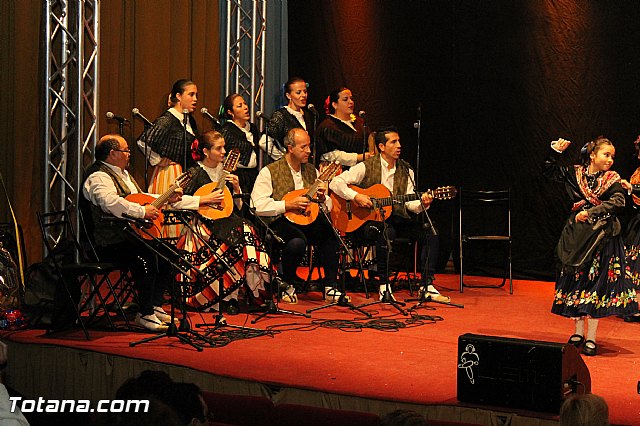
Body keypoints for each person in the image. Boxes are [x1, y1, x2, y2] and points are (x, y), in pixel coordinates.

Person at [82, 134, 218, 331]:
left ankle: (154, 305)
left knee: (168, 253)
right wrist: (142, 211)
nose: (129, 154)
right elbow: (110, 202)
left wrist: (169, 198)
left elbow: (143, 198)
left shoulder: (123, 175)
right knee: (147, 256)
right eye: (126, 150)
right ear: (112, 154)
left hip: (127, 238)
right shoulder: (98, 176)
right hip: (105, 243)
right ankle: (145, 314)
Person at [330, 126, 448, 303]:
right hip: (366, 222)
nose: (399, 145)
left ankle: (427, 285)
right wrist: (356, 196)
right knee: (386, 232)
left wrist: (423, 203)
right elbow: (335, 183)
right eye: (394, 142)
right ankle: (384, 286)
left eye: (399, 141)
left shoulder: (406, 170)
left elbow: (410, 204)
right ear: (382, 146)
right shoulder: (366, 166)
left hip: (397, 218)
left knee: (430, 231)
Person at [544, 137, 638, 356]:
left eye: (613, 156)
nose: (610, 160)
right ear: (593, 155)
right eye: (606, 155)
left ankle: (592, 337)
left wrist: (590, 212)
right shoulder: (575, 174)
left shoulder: (611, 179)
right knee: (575, 282)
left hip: (602, 238)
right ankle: (578, 332)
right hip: (578, 237)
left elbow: (617, 202)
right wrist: (555, 153)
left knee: (595, 285)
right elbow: (550, 172)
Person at [179, 130, 285, 314]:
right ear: (205, 151)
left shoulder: (226, 172)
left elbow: (238, 206)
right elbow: (176, 201)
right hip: (205, 224)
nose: (223, 152)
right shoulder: (194, 173)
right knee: (243, 231)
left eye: (224, 148)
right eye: (219, 148)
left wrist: (236, 187)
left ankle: (237, 295)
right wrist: (203, 200)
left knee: (244, 229)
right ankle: (260, 282)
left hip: (229, 221)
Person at [251, 128, 343, 301]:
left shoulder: (312, 171)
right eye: (303, 147)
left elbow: (327, 206)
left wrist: (323, 198)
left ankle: (330, 286)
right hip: (280, 220)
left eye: (309, 146)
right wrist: (287, 205)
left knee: (330, 235)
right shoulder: (269, 171)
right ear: (290, 148)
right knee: (296, 242)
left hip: (306, 219)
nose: (308, 150)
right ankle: (287, 284)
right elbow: (256, 205)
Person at [137, 79, 200, 239]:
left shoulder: (188, 120)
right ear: (178, 96)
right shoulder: (168, 119)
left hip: (182, 173)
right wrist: (157, 160)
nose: (195, 99)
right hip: (169, 174)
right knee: (169, 219)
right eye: (191, 94)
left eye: (196, 95)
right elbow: (143, 140)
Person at [315, 87, 375, 167]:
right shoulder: (327, 127)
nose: (350, 102)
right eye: (345, 99)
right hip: (341, 174)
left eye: (351, 99)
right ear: (334, 104)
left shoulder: (360, 122)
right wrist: (358, 157)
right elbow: (326, 155)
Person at [264, 77, 316, 162]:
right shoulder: (281, 115)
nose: (303, 95)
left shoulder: (309, 114)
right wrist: (284, 159)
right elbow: (264, 142)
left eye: (305, 92)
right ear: (288, 95)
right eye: (298, 92)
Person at [220, 94, 263, 196]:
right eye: (239, 106)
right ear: (230, 112)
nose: (245, 107)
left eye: (245, 104)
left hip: (252, 174)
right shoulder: (226, 130)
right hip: (236, 175)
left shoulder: (252, 128)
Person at [621, 135, 640, 323]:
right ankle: (633, 306)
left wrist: (632, 188)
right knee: (632, 261)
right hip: (637, 219)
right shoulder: (638, 170)